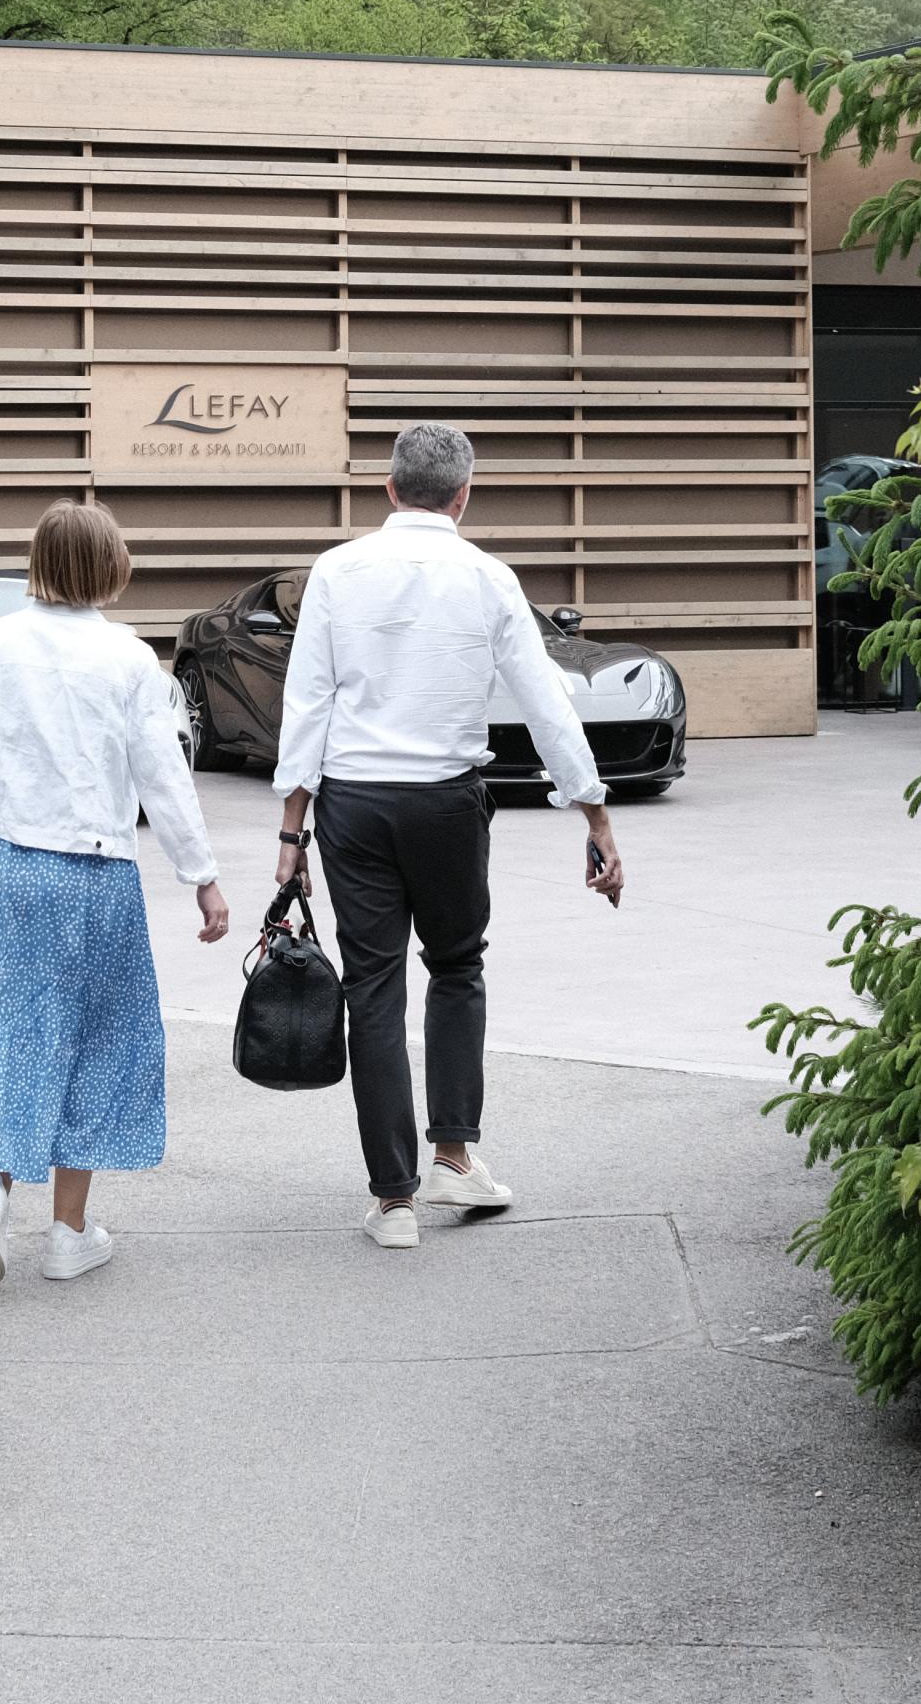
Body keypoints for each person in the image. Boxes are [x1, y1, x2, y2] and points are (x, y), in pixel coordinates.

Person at [273, 421, 623, 1249]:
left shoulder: (336, 570)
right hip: (446, 804)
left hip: (353, 803)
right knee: (457, 967)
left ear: (389, 488)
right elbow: (545, 700)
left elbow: (307, 701)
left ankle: (393, 1201)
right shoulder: (490, 577)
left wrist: (293, 831)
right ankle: (455, 1158)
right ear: (464, 497)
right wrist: (594, 814)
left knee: (373, 989)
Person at [0, 498, 230, 1286]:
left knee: (11, 1030)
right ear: (109, 567)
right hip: (91, 870)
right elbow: (162, 776)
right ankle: (68, 1233)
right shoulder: (127, 658)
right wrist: (203, 879)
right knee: (96, 1041)